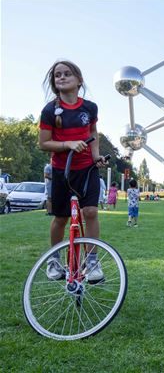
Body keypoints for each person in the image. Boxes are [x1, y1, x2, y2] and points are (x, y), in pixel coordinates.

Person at [38, 60, 106, 283]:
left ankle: (92, 261)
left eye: (67, 74)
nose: (62, 77)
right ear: (54, 82)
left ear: (79, 80)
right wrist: (68, 144)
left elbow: (93, 131)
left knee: (91, 213)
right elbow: (43, 143)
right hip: (62, 171)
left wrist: (96, 156)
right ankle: (54, 260)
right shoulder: (49, 110)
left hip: (87, 169)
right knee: (61, 217)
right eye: (58, 75)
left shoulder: (90, 108)